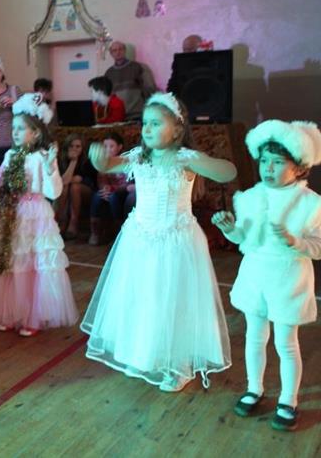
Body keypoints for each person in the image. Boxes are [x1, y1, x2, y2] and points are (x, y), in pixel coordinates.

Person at [81, 92, 237, 392]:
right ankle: (146, 353)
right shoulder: (139, 156)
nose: (147, 129)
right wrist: (99, 160)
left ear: (177, 130)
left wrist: (203, 164)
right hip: (140, 239)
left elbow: (227, 171)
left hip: (175, 241)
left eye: (155, 123)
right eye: (145, 123)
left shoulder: (184, 159)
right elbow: (109, 165)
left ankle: (178, 364)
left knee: (172, 301)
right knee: (144, 297)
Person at [212, 120, 321, 431]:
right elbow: (244, 239)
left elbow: (317, 246)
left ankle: (289, 399)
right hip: (255, 275)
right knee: (254, 336)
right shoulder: (250, 197)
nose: (268, 168)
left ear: (299, 167)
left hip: (288, 279)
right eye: (263, 161)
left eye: (277, 162)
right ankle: (254, 388)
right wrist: (230, 229)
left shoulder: (312, 204)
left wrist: (294, 241)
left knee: (286, 343)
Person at [0, 93, 78, 337]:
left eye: (20, 128)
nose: (14, 132)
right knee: (14, 263)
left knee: (34, 264)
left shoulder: (42, 156)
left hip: (35, 215)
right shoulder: (10, 156)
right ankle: (11, 312)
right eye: (13, 128)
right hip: (13, 214)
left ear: (35, 133)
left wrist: (49, 168)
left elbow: (54, 192)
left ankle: (32, 316)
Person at [88, 132, 128, 245]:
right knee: (97, 196)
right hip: (109, 191)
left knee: (113, 197)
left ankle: (117, 231)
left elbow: (128, 183)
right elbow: (101, 180)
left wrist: (113, 189)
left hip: (121, 191)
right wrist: (105, 189)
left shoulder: (124, 160)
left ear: (119, 147)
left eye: (111, 146)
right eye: (105, 146)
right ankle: (95, 232)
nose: (107, 150)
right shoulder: (102, 161)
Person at [56, 133, 97, 240]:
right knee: (65, 187)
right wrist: (73, 161)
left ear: (82, 148)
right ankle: (62, 220)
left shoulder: (87, 161)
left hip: (87, 191)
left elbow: (91, 181)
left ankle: (73, 222)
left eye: (78, 146)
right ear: (67, 147)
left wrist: (75, 160)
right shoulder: (60, 160)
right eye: (71, 146)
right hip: (65, 190)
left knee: (75, 186)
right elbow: (64, 182)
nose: (74, 149)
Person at [104, 41, 156, 120]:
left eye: (120, 49)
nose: (118, 52)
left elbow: (150, 88)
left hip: (137, 114)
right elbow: (107, 96)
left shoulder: (139, 67)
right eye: (114, 50)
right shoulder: (108, 73)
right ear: (111, 54)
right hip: (117, 116)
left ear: (125, 50)